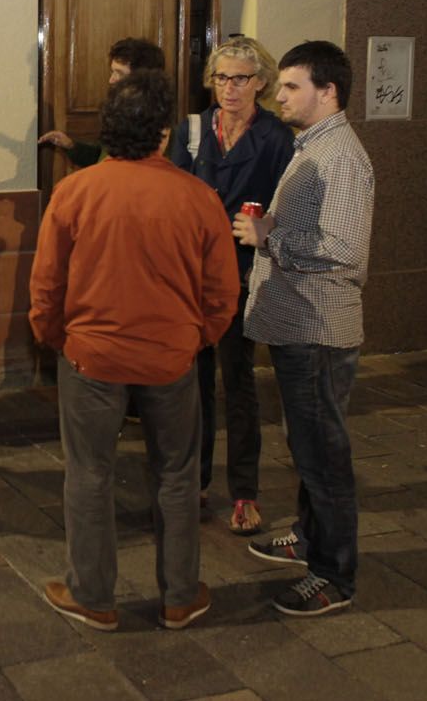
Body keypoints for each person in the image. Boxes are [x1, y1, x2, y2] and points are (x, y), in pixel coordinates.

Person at [29, 70, 238, 632]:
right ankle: (179, 595)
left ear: (108, 130)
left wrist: (54, 337)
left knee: (89, 472)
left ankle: (93, 595)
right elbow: (222, 292)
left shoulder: (75, 192)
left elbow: (47, 283)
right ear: (164, 135)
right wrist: (198, 337)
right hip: (171, 357)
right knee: (176, 473)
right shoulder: (198, 197)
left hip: (91, 355)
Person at [234, 40, 373, 618]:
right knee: (308, 442)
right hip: (301, 326)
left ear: (328, 92)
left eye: (291, 86)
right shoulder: (315, 144)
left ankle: (334, 576)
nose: (278, 94)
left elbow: (343, 249)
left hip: (317, 330)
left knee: (322, 454)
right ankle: (311, 538)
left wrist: (271, 239)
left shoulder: (339, 155)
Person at [172, 36, 294, 534]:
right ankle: (195, 482)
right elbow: (172, 194)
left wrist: (263, 225)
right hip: (195, 274)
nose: (229, 87)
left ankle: (244, 491)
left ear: (260, 83)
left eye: (240, 78)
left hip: (244, 274)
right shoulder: (194, 129)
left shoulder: (276, 137)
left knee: (238, 381)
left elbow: (287, 203)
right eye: (221, 77)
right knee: (192, 382)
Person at [39, 37, 168, 165]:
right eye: (112, 72)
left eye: (120, 73)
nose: (111, 80)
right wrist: (71, 146)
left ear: (145, 79)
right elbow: (102, 159)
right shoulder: (118, 116)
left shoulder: (157, 128)